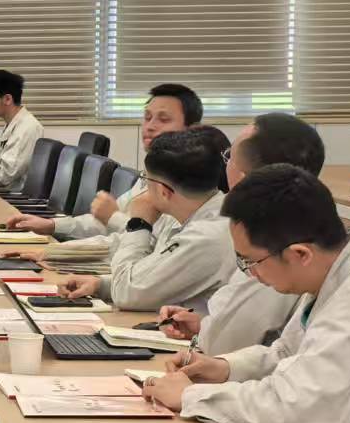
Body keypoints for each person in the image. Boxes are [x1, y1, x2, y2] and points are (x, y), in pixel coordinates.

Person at [145, 165, 350, 423]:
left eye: (250, 261)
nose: (250, 273)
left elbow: (296, 406)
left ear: (300, 254)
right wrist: (224, 368)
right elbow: (289, 353)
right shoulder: (332, 268)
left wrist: (190, 396)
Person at [156, 113, 325, 354]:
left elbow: (222, 342)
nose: (225, 165)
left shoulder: (274, 242)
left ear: (246, 178)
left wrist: (210, 333)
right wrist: (203, 325)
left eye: (229, 157)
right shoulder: (296, 221)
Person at [59, 125, 234, 312]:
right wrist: (100, 284)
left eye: (145, 179)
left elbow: (127, 294)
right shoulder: (180, 214)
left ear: (164, 191)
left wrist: (138, 224)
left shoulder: (206, 236)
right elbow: (152, 275)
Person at [9, 83, 201, 243]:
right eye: (147, 117)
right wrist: (51, 226)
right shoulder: (151, 174)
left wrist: (113, 217)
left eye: (164, 119)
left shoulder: (192, 186)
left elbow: (158, 249)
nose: (150, 126)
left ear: (192, 130)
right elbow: (104, 225)